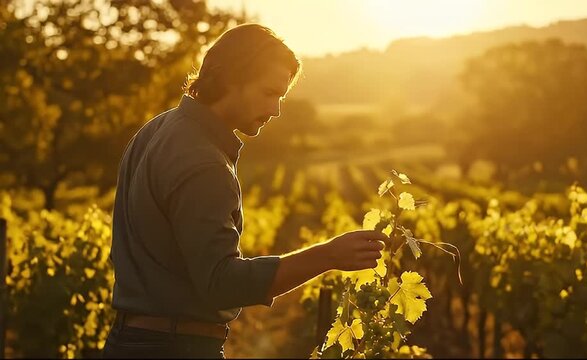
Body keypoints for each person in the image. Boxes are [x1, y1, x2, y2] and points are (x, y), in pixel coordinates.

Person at [101, 23, 388, 358]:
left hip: (127, 343)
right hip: (176, 348)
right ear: (230, 79)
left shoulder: (155, 130)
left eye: (281, 97)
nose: (276, 110)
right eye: (269, 93)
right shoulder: (203, 161)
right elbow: (221, 284)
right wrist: (328, 255)